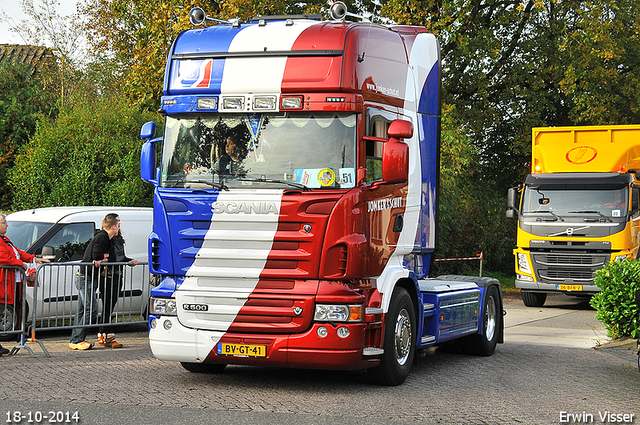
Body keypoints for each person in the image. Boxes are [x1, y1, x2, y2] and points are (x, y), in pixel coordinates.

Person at [69, 213, 119, 351]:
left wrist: (104, 258)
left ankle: (75, 339)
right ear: (113, 226)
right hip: (85, 277)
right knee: (91, 309)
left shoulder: (107, 239)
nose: (119, 227)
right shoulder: (102, 237)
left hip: (89, 277)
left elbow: (101, 258)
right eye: (118, 225)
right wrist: (103, 259)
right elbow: (96, 259)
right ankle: (77, 339)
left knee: (82, 309)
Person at [0, 213, 49, 355]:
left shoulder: (4, 239)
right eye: (4, 222)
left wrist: (33, 259)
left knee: (5, 310)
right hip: (3, 282)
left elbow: (17, 252)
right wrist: (21, 264)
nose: (7, 225)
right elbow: (4, 258)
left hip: (10, 282)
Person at [98, 229, 138, 348]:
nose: (119, 226)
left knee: (111, 305)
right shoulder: (105, 239)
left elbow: (121, 257)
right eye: (117, 223)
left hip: (118, 274)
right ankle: (106, 335)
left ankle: (102, 334)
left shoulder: (119, 240)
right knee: (108, 305)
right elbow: (103, 257)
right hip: (107, 276)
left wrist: (129, 260)